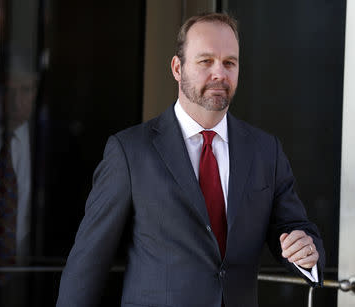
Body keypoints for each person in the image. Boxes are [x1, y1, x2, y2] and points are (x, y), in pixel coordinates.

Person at [57, 12, 325, 307]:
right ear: (177, 68)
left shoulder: (265, 150)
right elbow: (88, 262)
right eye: (205, 61)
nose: (219, 74)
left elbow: (295, 229)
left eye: (229, 63)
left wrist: (306, 252)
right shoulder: (130, 151)